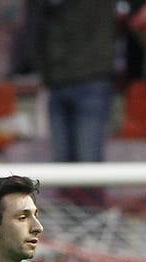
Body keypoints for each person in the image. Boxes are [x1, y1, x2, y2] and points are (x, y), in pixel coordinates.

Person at [30, 0, 117, 163]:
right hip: (56, 82)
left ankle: (90, 189)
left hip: (91, 80)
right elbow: (39, 31)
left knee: (88, 161)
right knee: (61, 165)